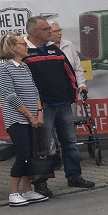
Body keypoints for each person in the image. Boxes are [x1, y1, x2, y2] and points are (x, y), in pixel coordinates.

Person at [24, 15, 95, 191]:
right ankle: (41, 184)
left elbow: (70, 74)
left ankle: (74, 176)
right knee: (43, 148)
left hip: (63, 105)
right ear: (34, 32)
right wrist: (37, 105)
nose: (50, 32)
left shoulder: (55, 51)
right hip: (43, 109)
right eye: (46, 29)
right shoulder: (24, 52)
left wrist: (70, 97)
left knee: (70, 143)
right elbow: (24, 83)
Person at [0, 34, 50, 207]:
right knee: (23, 155)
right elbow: (9, 96)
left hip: (32, 117)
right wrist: (30, 115)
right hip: (17, 119)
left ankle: (27, 190)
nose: (26, 46)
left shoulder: (25, 67)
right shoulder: (3, 67)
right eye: (23, 43)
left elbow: (34, 92)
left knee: (31, 156)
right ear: (12, 47)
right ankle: (13, 193)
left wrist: (39, 112)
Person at [49, 22, 87, 95]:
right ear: (48, 33)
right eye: (55, 31)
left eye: (59, 30)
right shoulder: (44, 48)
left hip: (71, 90)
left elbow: (77, 67)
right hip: (54, 92)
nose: (59, 33)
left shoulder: (69, 45)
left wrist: (81, 84)